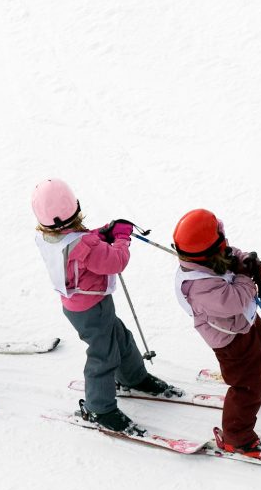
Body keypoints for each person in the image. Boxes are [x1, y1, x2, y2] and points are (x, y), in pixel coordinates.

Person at [31, 179, 176, 434]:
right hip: (90, 308)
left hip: (81, 304)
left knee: (119, 337)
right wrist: (121, 237)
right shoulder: (85, 246)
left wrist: (102, 232)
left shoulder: (47, 236)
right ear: (76, 209)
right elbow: (115, 261)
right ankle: (100, 408)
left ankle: (133, 377)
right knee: (103, 354)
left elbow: (78, 241)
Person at [170, 208, 261, 457]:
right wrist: (247, 277)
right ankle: (236, 437)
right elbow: (233, 301)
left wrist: (248, 261)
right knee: (247, 386)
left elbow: (232, 253)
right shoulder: (198, 286)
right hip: (228, 338)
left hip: (244, 321)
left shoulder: (211, 254)